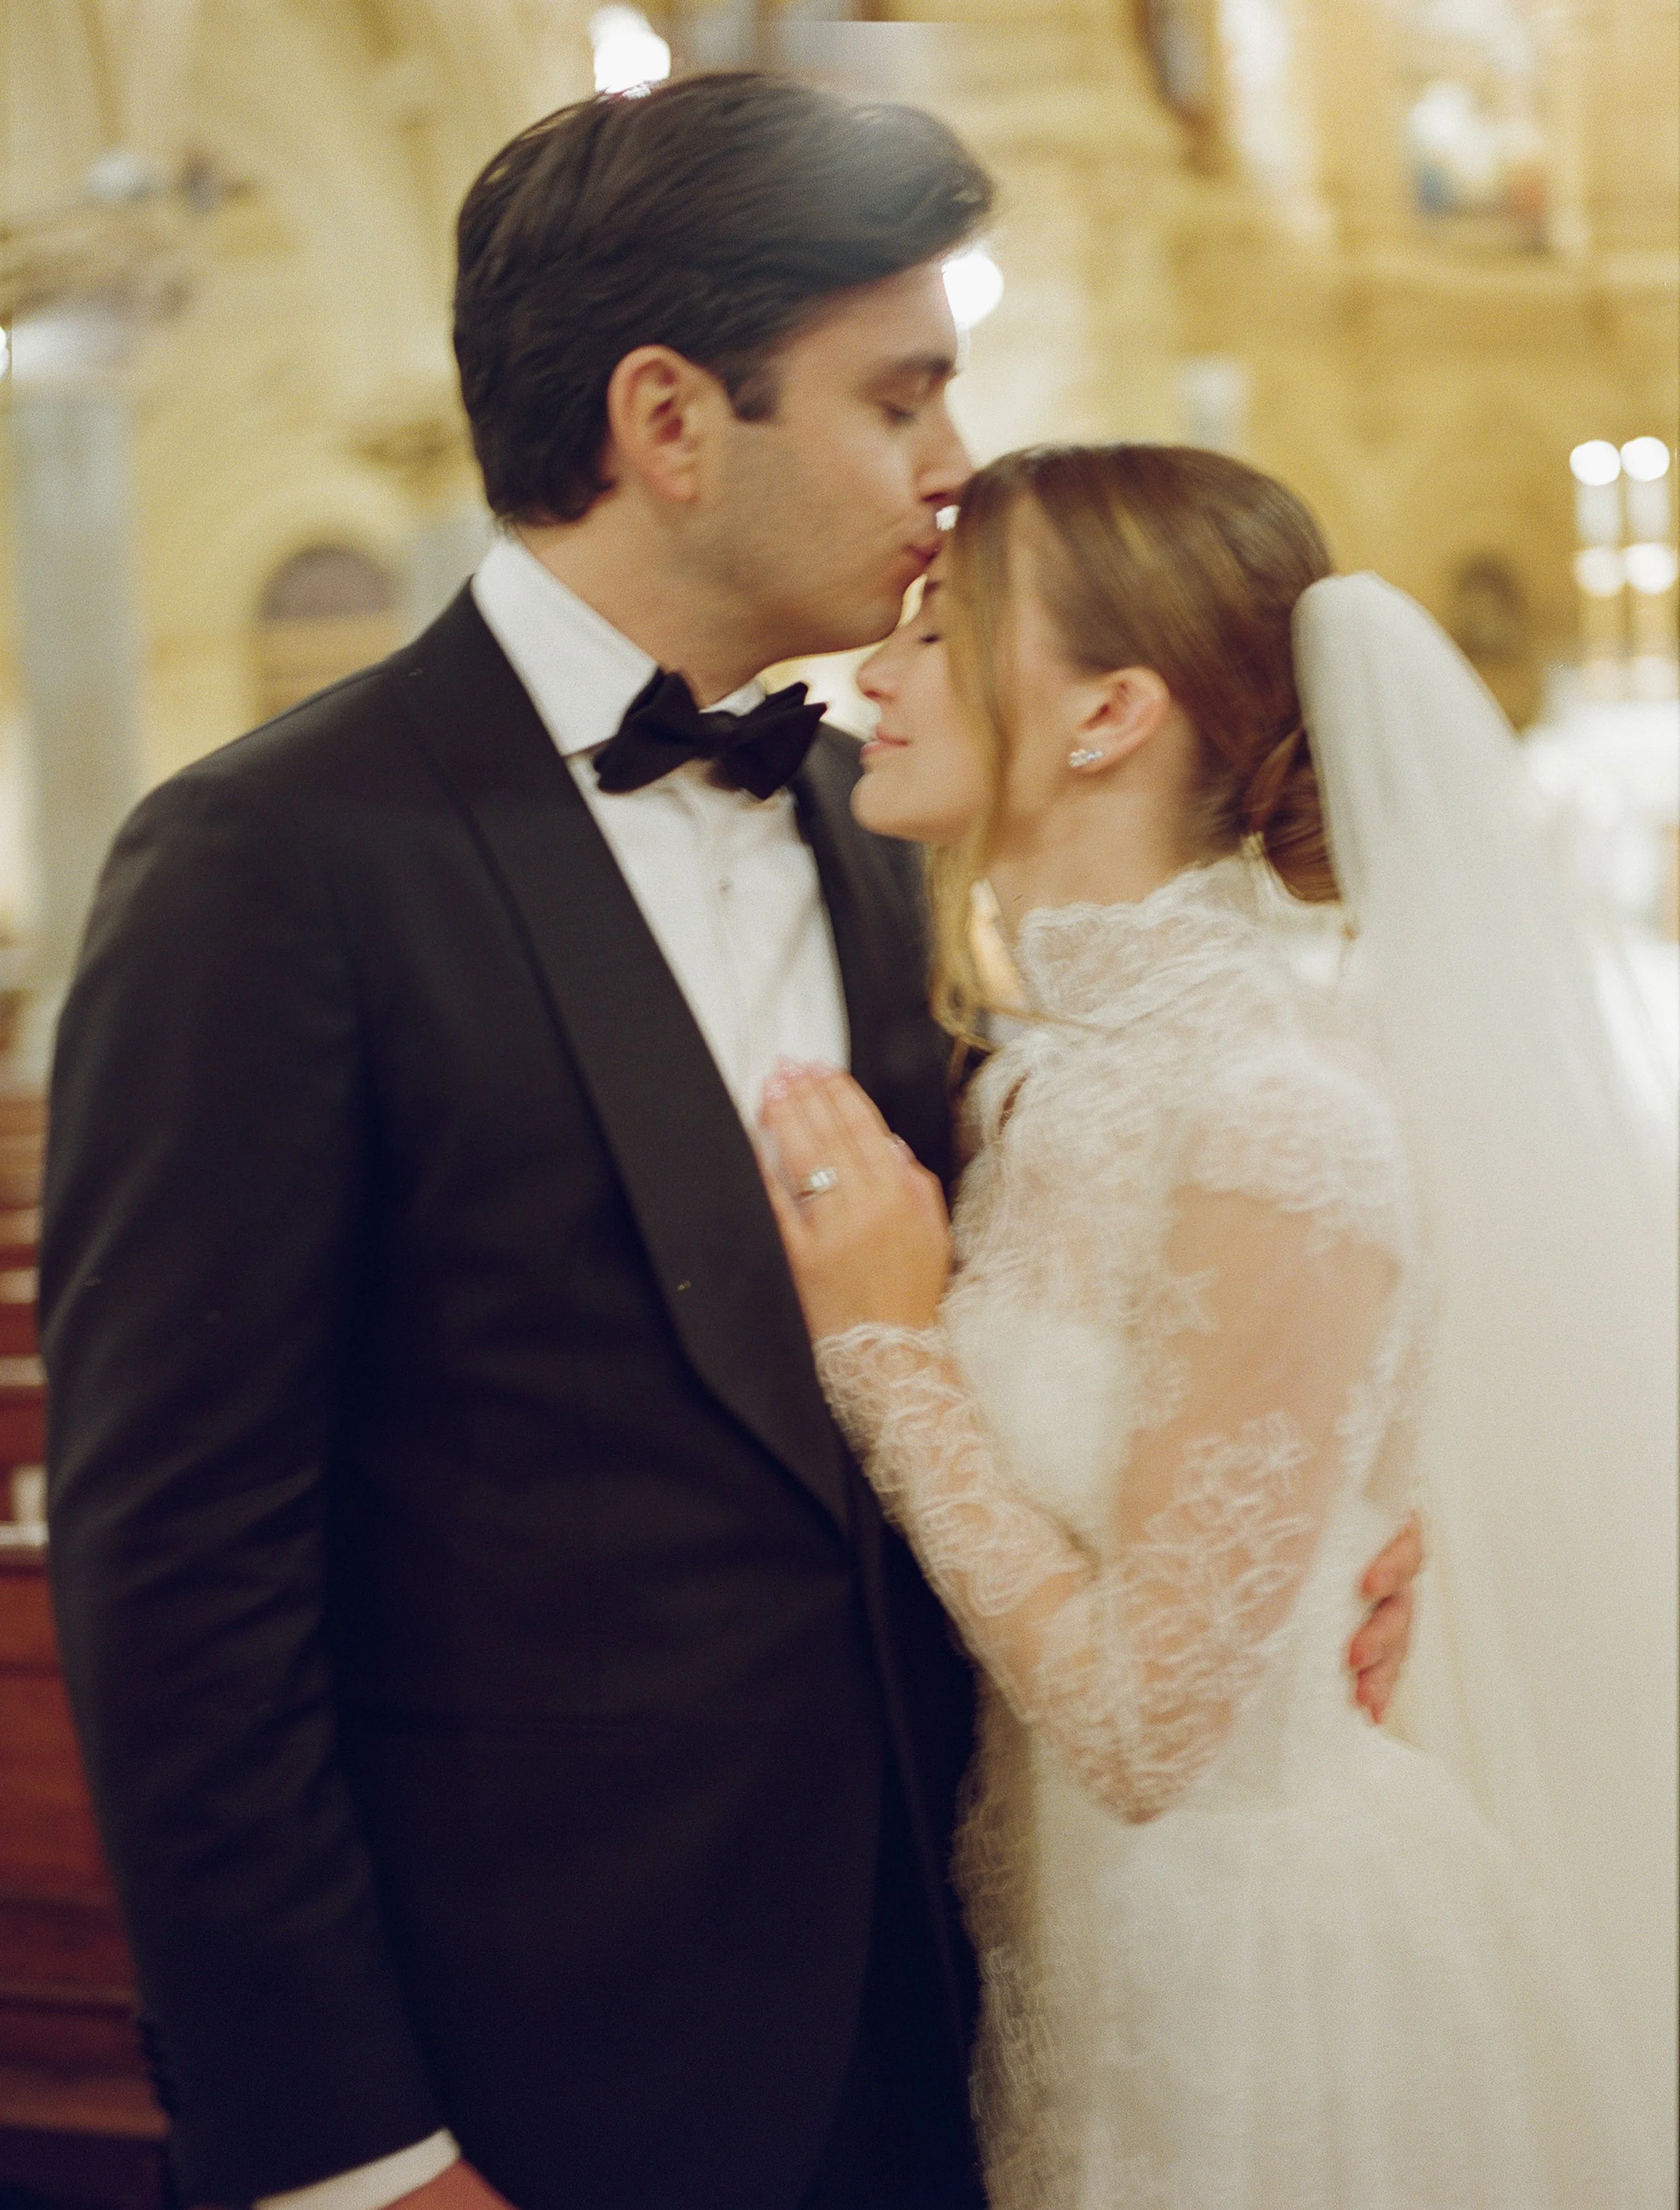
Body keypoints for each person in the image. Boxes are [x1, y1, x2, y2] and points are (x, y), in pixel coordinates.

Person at [40, 80, 1419, 2210]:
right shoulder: (269, 865)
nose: (954, 475)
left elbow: (1163, 1271)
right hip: (533, 2078)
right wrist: (352, 2151)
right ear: (670, 420)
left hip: (968, 2026)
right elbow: (183, 1575)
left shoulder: (887, 842)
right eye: (900, 401)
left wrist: (1372, 1511)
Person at [761, 444, 1677, 2207]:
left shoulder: (1270, 1109)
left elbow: (1146, 1722)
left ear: (1106, 711)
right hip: (1082, 1950)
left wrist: (886, 1356)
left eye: (936, 636)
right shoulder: (1070, 1075)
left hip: (1269, 2008)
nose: (872, 677)